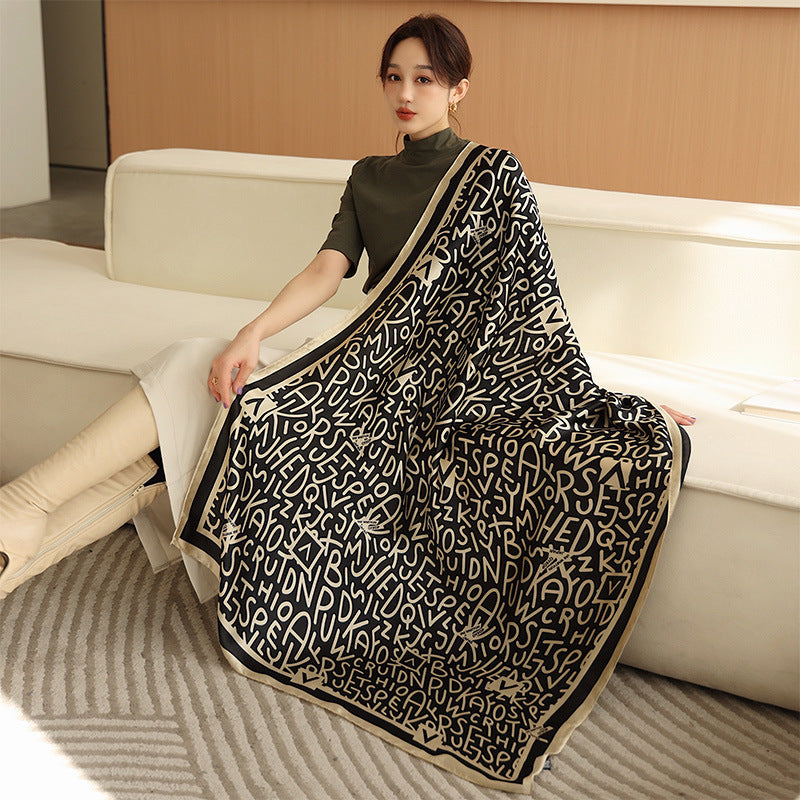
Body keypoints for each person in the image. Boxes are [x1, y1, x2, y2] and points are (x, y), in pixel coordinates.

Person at [0, 13, 693, 788]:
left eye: (425, 78)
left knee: (216, 397)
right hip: (362, 359)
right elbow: (328, 268)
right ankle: (13, 534)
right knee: (202, 364)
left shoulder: (494, 176)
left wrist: (589, 393)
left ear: (459, 89)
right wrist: (251, 333)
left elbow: (529, 309)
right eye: (394, 77)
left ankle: (16, 519)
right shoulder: (369, 176)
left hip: (431, 388)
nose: (406, 93)